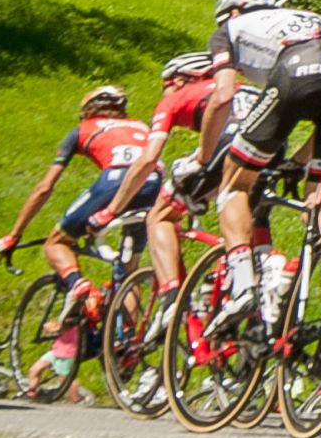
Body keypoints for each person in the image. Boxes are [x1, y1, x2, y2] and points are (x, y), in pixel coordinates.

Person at [196, 0, 321, 331]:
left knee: (234, 185)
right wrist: (300, 164)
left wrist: (202, 157)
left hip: (295, 70)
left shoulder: (229, 30)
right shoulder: (302, 16)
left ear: (234, 11)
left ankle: (242, 286)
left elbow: (223, 96)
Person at [0, 85, 158, 322]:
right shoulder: (142, 126)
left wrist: (14, 234)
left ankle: (78, 286)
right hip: (153, 184)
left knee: (56, 242)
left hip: (116, 181)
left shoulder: (82, 129)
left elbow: (44, 188)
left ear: (88, 111)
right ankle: (124, 348)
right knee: (128, 271)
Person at [87, 53, 222, 314]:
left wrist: (110, 211)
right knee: (239, 209)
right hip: (270, 141)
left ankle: (172, 300)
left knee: (160, 216)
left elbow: (149, 159)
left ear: (181, 81)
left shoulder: (177, 99)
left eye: (166, 87)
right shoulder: (237, 87)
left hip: (230, 146)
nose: (164, 94)